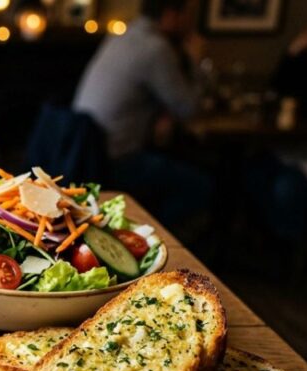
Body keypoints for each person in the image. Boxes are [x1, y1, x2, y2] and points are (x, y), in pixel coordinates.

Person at [72, 0, 213, 236]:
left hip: (82, 149)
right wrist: (197, 60)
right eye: (187, 15)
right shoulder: (156, 48)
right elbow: (188, 107)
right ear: (170, 15)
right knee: (201, 186)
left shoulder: (121, 35)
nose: (190, 24)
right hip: (114, 159)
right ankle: (149, 237)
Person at [252, 0, 307, 247]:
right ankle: (268, 239)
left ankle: (290, 248)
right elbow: (277, 92)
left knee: (287, 185)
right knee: (256, 169)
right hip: (304, 144)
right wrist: (293, 53)